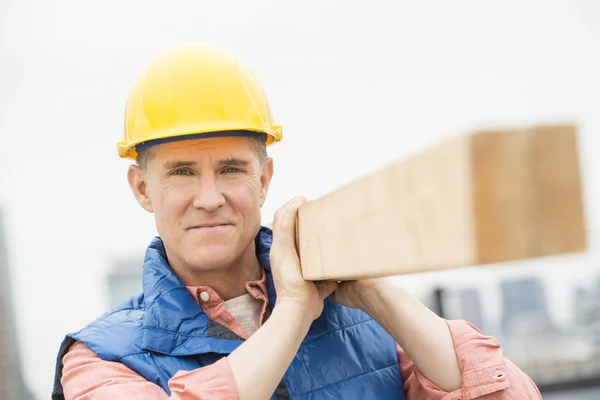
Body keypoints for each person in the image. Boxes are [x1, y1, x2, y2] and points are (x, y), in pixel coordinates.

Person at [52, 43, 542, 400]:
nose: (209, 198)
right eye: (181, 173)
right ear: (142, 189)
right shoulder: (100, 357)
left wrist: (378, 293)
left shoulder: (369, 323)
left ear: (264, 179)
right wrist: (292, 311)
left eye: (231, 169)